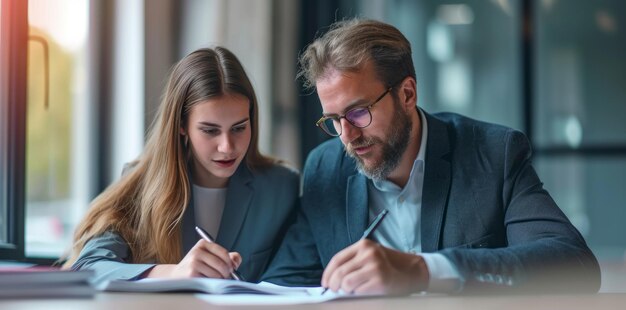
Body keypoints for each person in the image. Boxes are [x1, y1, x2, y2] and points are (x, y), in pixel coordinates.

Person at [262, 19, 600, 294]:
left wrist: (423, 270)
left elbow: (574, 265)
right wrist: (217, 278)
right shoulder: (325, 168)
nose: (347, 136)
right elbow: (284, 282)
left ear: (407, 93)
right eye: (334, 120)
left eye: (358, 112)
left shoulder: (493, 153)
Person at [63, 47, 299, 283]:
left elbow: (297, 276)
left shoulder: (281, 187)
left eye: (239, 128)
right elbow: (88, 267)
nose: (227, 146)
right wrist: (173, 272)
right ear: (181, 125)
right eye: (209, 130)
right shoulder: (141, 185)